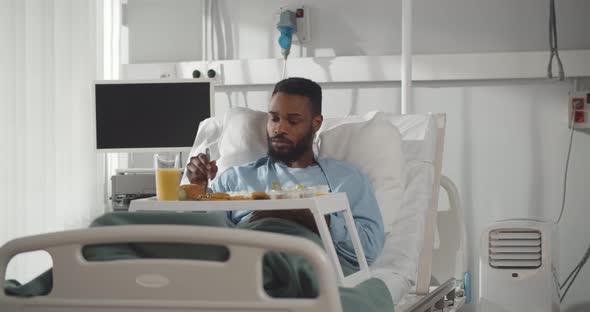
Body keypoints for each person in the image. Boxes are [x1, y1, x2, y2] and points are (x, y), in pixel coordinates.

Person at [186, 77, 385, 265]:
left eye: (293, 121)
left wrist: (313, 218)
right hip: (244, 264)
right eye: (274, 118)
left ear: (316, 123)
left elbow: (370, 248)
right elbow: (201, 242)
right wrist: (197, 190)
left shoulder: (346, 179)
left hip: (308, 265)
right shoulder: (235, 179)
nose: (279, 129)